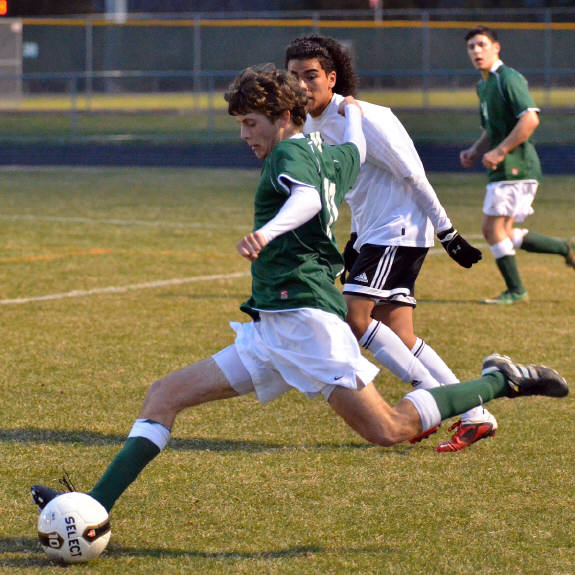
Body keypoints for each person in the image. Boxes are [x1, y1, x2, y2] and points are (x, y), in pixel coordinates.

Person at [31, 65, 568, 521]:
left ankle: (500, 381)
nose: (246, 134)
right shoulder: (325, 152)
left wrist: (268, 232)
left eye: (252, 123)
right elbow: (355, 148)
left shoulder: (289, 158)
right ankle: (93, 508)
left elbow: (307, 200)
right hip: (272, 327)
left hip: (306, 322)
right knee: (163, 395)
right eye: (241, 124)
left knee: (390, 428)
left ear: (284, 116)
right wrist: (351, 114)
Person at [285, 35, 494, 453]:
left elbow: (414, 175)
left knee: (355, 319)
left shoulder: (369, 118)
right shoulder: (310, 124)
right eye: (294, 77)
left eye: (311, 76)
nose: (302, 86)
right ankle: (476, 414)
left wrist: (447, 232)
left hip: (397, 231)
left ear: (332, 78)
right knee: (400, 334)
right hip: (371, 233)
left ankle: (430, 398)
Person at [460, 25, 575, 305]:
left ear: (496, 47)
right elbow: (492, 129)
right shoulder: (483, 85)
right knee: (505, 233)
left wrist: (500, 151)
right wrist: (475, 150)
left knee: (492, 230)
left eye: (482, 44)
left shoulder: (507, 78)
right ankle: (566, 249)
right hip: (504, 168)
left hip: (516, 166)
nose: (476, 51)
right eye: (471, 46)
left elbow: (530, 119)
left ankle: (516, 290)